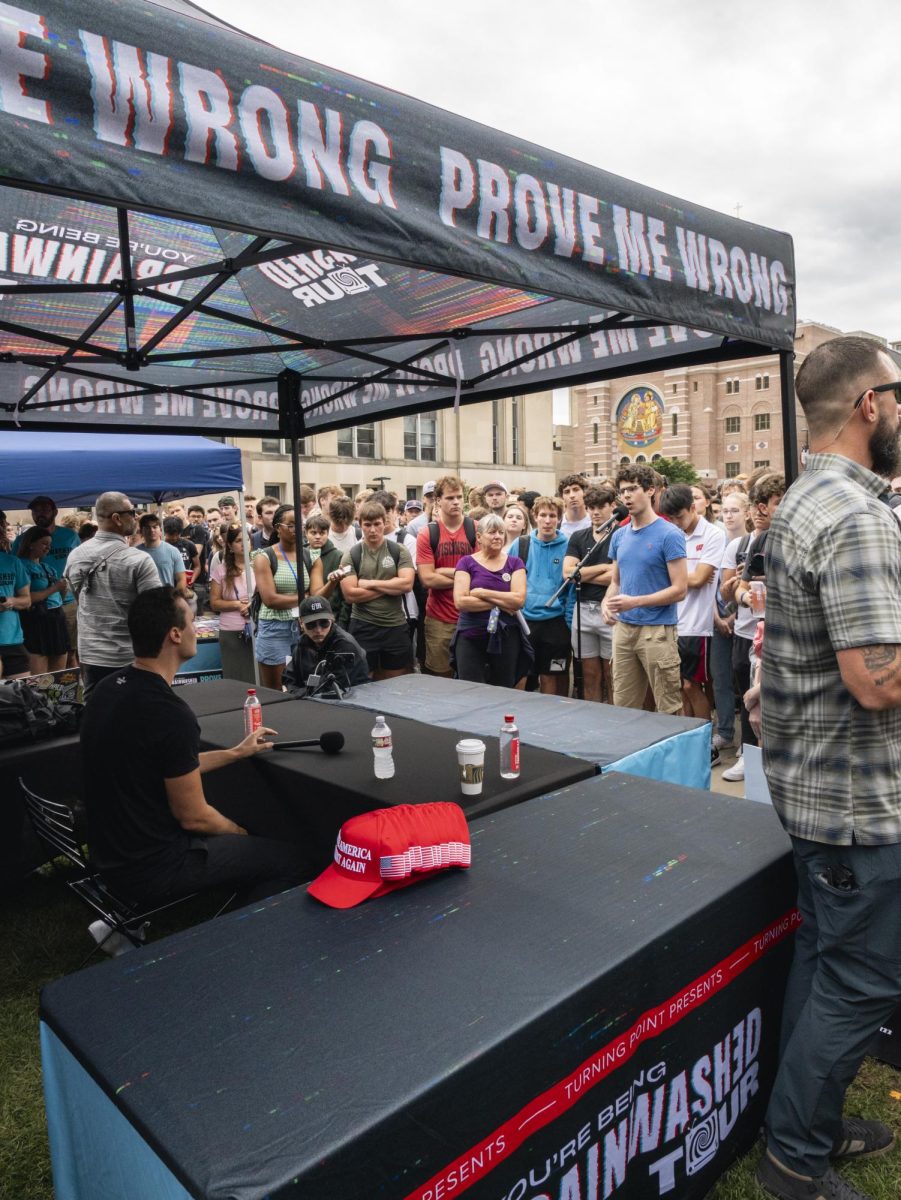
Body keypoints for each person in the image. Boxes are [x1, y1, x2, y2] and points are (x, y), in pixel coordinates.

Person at [756, 337, 901, 1200]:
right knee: (859, 979)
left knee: (824, 962)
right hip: (855, 800)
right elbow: (874, 681)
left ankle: (798, 1123)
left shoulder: (811, 498)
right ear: (868, 405)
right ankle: (794, 1160)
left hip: (818, 791)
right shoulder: (852, 514)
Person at [80, 586, 305, 915]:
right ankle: (238, 935)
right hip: (154, 869)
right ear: (174, 634)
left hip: (110, 856)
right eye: (191, 620)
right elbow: (194, 817)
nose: (197, 626)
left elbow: (158, 765)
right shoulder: (170, 713)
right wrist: (239, 834)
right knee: (295, 861)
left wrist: (235, 753)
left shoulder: (106, 690)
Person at [602, 465, 687, 716]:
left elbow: (680, 589)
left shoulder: (669, 533)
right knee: (623, 706)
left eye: (633, 489)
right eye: (623, 491)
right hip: (624, 630)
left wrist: (635, 602)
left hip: (657, 631)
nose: (627, 496)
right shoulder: (619, 535)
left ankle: (673, 755)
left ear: (650, 490)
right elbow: (615, 581)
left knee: (668, 706)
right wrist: (607, 604)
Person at [64, 492, 161, 696]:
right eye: (132, 512)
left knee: (97, 716)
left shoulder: (76, 555)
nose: (136, 517)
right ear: (117, 518)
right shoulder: (138, 560)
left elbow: (79, 598)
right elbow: (154, 611)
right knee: (133, 717)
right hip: (129, 655)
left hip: (91, 654)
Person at [659, 483, 727, 729]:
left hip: (697, 625)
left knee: (691, 684)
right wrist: (686, 577)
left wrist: (673, 576)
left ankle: (705, 738)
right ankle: (688, 734)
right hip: (670, 620)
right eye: (672, 518)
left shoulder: (713, 534)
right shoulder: (670, 533)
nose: (677, 523)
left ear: (693, 507)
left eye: (680, 516)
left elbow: (699, 580)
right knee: (677, 685)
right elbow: (691, 577)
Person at [339, 501, 415, 679]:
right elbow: (350, 595)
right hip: (363, 626)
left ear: (385, 522)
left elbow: (406, 585)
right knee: (363, 681)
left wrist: (369, 583)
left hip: (395, 626)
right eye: (367, 525)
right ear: (360, 524)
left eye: (377, 524)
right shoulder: (351, 555)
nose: (372, 530)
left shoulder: (399, 550)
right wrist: (390, 585)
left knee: (396, 682)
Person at [452, 514, 529, 687]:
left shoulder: (515, 563)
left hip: (506, 636)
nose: (497, 536)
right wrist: (502, 602)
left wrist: (482, 592)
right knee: (470, 688)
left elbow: (518, 600)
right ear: (479, 537)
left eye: (501, 532)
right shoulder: (466, 563)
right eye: (492, 532)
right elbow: (461, 602)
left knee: (503, 688)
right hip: (471, 635)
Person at [415, 475, 476, 677]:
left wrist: (443, 572)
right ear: (438, 500)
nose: (456, 502)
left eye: (459, 497)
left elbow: (481, 576)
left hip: (472, 615)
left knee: (471, 679)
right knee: (441, 679)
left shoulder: (475, 529)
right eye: (450, 498)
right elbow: (427, 579)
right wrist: (464, 575)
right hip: (439, 619)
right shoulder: (427, 534)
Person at [562, 486, 618, 703]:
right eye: (591, 507)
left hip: (610, 610)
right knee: (589, 674)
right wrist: (603, 568)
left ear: (612, 506)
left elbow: (617, 576)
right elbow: (568, 573)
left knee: (612, 674)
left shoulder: (620, 534)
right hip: (582, 608)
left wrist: (583, 574)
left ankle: (616, 720)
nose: (595, 512)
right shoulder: (579, 536)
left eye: (601, 507)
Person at [12, 495, 80, 667]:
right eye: (35, 511)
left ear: (55, 512)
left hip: (66, 604)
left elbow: (80, 564)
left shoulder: (69, 535)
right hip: (36, 612)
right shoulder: (21, 543)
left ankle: (72, 691)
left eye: (44, 510)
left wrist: (69, 591)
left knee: (70, 652)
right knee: (40, 657)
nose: (39, 514)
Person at [709, 490, 751, 757]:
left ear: (747, 512)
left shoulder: (752, 542)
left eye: (734, 510)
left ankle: (750, 739)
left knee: (747, 681)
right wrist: (718, 617)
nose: (728, 515)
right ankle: (725, 733)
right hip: (717, 619)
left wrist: (734, 617)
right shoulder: (717, 541)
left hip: (744, 621)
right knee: (720, 678)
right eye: (724, 511)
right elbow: (710, 586)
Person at [521, 495, 572, 696]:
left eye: (552, 515)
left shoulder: (568, 545)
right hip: (527, 621)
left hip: (556, 623)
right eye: (543, 515)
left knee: (551, 675)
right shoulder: (523, 544)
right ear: (535, 517)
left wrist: (567, 621)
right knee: (523, 673)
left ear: (559, 518)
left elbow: (570, 588)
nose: (548, 520)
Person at [252, 504, 307, 691]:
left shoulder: (309, 555)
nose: (297, 529)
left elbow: (317, 594)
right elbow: (270, 599)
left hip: (303, 628)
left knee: (303, 686)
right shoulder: (264, 557)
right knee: (276, 691)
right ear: (278, 528)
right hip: (275, 628)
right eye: (291, 525)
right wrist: (304, 597)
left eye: (300, 524)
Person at [283, 596, 370, 696]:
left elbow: (331, 688)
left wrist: (296, 693)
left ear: (332, 620)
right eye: (311, 624)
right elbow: (289, 677)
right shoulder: (303, 642)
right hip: (311, 698)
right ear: (301, 623)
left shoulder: (345, 645)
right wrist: (293, 692)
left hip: (349, 700)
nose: (318, 630)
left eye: (324, 623)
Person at [16, 526, 70, 674]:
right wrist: (54, 588)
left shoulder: (48, 567)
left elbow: (58, 598)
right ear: (31, 543)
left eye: (49, 545)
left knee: (58, 676)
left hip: (56, 618)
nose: (48, 548)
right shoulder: (20, 565)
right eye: (44, 543)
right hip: (36, 619)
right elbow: (27, 598)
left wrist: (63, 589)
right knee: (39, 677)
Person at [209, 523, 255, 685]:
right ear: (229, 545)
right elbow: (214, 603)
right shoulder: (221, 570)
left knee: (258, 676)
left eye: (246, 540)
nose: (243, 544)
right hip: (231, 631)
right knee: (235, 677)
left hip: (258, 629)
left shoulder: (259, 566)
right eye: (238, 541)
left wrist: (252, 605)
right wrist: (237, 605)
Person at [0, 533, 31, 679]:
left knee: (20, 695)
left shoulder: (12, 562)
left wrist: (11, 601)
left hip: (12, 639)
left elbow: (26, 600)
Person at [137, 514, 187, 591]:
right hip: (143, 599)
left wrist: (174, 598)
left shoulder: (173, 551)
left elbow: (181, 579)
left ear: (160, 530)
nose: (151, 530)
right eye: (147, 527)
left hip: (166, 599)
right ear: (141, 531)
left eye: (154, 527)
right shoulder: (135, 552)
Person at [558, 474, 592, 539]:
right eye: (567, 492)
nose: (572, 495)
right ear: (562, 497)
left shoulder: (594, 521)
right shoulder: (557, 524)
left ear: (585, 492)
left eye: (576, 490)